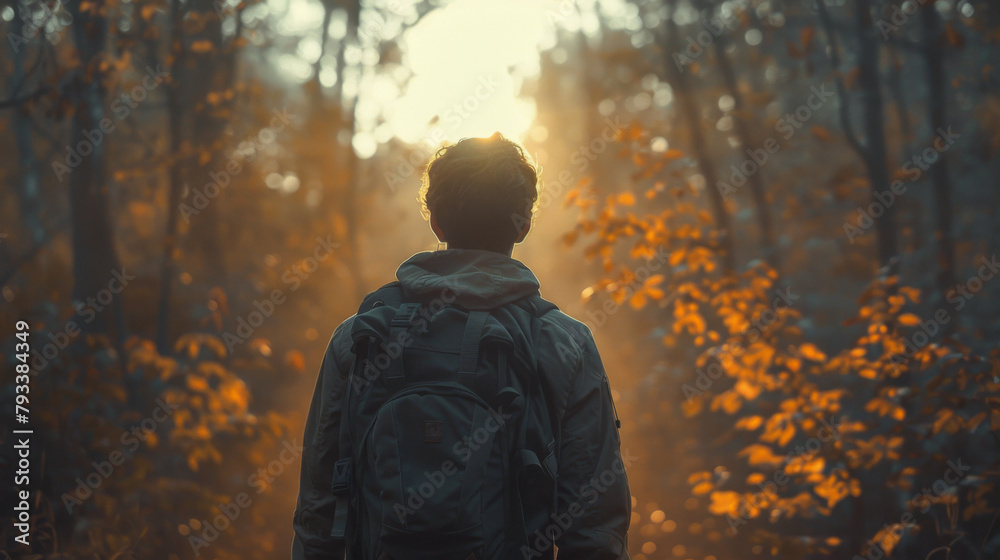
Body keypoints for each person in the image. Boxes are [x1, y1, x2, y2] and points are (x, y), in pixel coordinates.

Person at [292, 133, 631, 560]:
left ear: (435, 221)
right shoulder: (564, 342)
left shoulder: (359, 337)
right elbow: (594, 525)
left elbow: (317, 512)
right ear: (523, 224)